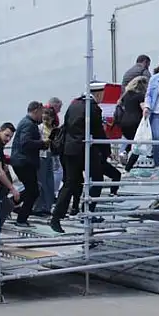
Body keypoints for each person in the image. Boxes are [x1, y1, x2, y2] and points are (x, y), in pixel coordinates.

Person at [51, 82, 121, 233]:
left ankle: (56, 218)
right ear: (99, 93)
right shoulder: (93, 108)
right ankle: (87, 211)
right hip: (85, 150)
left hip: (69, 150)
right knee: (96, 181)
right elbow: (98, 133)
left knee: (70, 184)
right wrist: (107, 151)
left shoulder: (74, 105)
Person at [10, 101, 49, 227]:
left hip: (22, 161)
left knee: (32, 190)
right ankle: (21, 218)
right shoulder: (28, 125)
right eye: (41, 113)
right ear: (36, 111)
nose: (42, 117)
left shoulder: (26, 123)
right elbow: (25, 143)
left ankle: (10, 204)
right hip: (24, 162)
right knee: (33, 191)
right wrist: (42, 144)